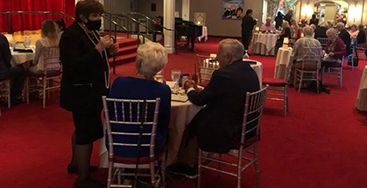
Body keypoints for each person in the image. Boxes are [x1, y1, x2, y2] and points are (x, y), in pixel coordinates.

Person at [173, 39, 260, 178]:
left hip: (229, 131)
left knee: (191, 120)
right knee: (199, 116)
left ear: (228, 57)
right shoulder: (249, 71)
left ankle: (187, 164)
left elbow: (200, 100)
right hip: (248, 128)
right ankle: (190, 161)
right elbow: (223, 92)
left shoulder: (223, 74)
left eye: (218, 54)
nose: (217, 58)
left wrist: (189, 89)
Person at [60, 0, 119, 188]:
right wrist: (98, 50)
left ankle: (76, 163)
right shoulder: (71, 35)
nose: (99, 19)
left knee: (82, 128)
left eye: (100, 15)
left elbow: (94, 61)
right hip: (81, 92)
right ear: (82, 17)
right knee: (85, 132)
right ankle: (83, 178)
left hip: (93, 91)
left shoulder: (90, 32)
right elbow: (73, 66)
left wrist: (108, 52)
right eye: (95, 16)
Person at [107, 42, 171, 158]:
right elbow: (164, 122)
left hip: (117, 141)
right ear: (159, 67)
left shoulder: (119, 83)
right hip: (148, 145)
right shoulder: (163, 90)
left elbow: (109, 114)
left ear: (138, 63)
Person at [0, 33, 25, 105]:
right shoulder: (1, 38)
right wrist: (8, 66)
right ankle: (15, 96)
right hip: (2, 72)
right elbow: (7, 57)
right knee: (21, 70)